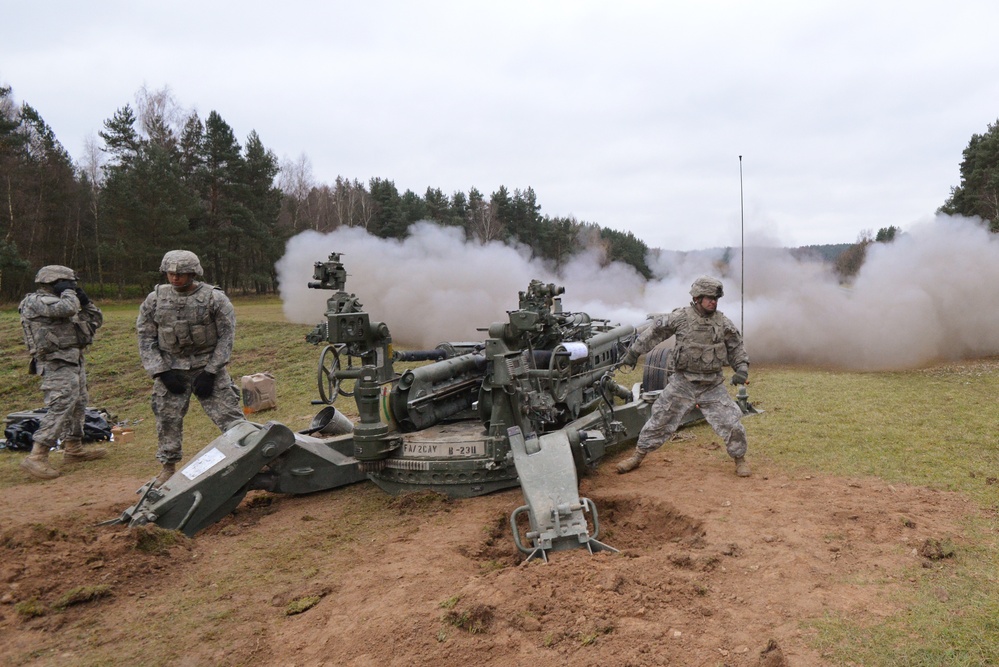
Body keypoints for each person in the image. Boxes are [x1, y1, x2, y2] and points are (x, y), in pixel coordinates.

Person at [615, 276, 752, 477]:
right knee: (660, 418)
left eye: (716, 299)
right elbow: (654, 332)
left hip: (712, 384)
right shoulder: (681, 317)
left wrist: (741, 369)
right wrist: (633, 353)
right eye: (709, 298)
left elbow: (736, 347)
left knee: (732, 422)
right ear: (697, 298)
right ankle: (638, 456)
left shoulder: (723, 322)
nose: (714, 302)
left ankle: (740, 460)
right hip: (683, 383)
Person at [137, 250, 244, 487]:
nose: (175, 278)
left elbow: (227, 337)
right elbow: (145, 337)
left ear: (193, 273)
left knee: (231, 418)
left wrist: (211, 371)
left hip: (206, 367)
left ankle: (249, 458)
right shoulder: (154, 299)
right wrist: (161, 372)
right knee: (167, 419)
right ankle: (167, 468)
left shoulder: (214, 299)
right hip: (171, 369)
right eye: (171, 273)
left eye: (181, 274)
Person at [18, 265, 106, 480]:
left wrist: (85, 302)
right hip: (55, 362)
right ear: (52, 283)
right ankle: (37, 456)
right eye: (67, 284)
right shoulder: (35, 302)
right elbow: (66, 308)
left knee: (79, 403)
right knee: (61, 404)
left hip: (74, 359)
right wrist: (69, 294)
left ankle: (73, 448)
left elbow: (95, 320)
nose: (73, 287)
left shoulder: (69, 302)